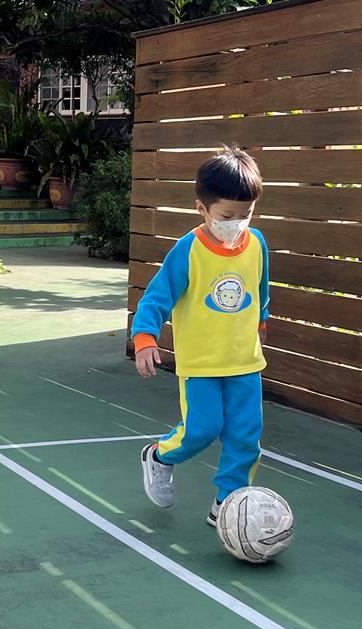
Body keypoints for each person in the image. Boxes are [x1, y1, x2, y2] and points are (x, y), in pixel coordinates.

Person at [131, 145, 269, 526]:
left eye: (246, 214)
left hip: (245, 362)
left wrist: (261, 323)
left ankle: (228, 502)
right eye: (227, 216)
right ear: (202, 209)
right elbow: (155, 299)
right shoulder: (188, 251)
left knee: (246, 437)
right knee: (201, 429)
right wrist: (144, 339)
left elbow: (260, 291)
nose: (238, 223)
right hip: (201, 365)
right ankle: (158, 456)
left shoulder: (257, 244)